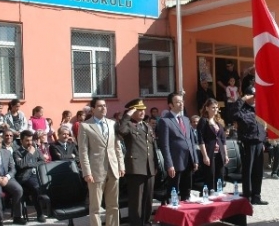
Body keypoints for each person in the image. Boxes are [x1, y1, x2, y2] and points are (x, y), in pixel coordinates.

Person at [78, 98, 125, 226]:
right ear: (92, 109)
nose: (103, 108)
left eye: (104, 106)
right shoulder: (85, 126)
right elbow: (83, 151)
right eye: (99, 106)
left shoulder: (112, 123)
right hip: (96, 171)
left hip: (113, 168)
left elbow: (117, 146)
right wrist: (87, 172)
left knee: (113, 205)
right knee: (96, 207)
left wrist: (121, 165)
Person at [117, 98, 158, 226]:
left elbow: (152, 146)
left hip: (149, 167)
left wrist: (156, 164)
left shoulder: (146, 126)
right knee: (136, 201)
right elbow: (121, 131)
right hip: (135, 168)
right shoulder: (128, 125)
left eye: (143, 109)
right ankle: (136, 223)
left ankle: (146, 221)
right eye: (138, 110)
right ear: (132, 111)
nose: (142, 112)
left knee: (148, 199)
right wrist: (127, 115)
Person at [157, 92, 199, 201]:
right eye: (177, 102)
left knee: (187, 188)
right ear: (170, 105)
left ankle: (186, 206)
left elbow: (191, 141)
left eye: (182, 101)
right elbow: (164, 145)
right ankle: (169, 212)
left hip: (188, 159)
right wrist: (169, 164)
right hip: (176, 160)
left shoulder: (185, 119)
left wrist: (195, 159)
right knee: (173, 190)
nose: (181, 104)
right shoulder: (165, 121)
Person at [233, 86, 268, 205]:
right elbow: (233, 115)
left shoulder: (258, 109)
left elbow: (262, 126)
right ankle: (247, 196)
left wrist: (263, 142)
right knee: (248, 170)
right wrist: (241, 100)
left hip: (258, 142)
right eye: (253, 96)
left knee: (258, 171)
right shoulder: (242, 108)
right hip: (248, 143)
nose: (255, 99)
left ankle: (256, 196)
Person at [14, 130, 47, 222]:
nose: (29, 143)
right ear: (21, 141)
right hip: (25, 177)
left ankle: (52, 208)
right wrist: (29, 154)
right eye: (27, 140)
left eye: (31, 140)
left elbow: (43, 161)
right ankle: (40, 213)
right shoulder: (17, 152)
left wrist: (29, 164)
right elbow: (20, 165)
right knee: (36, 187)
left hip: (38, 175)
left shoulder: (35, 150)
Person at [197, 98, 229, 192]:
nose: (215, 110)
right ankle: (210, 194)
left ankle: (219, 194)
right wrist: (205, 156)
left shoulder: (218, 121)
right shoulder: (203, 121)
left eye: (216, 107)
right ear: (207, 108)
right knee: (210, 175)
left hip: (220, 153)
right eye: (213, 107)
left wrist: (226, 154)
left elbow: (223, 140)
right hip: (210, 153)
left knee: (220, 175)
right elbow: (201, 140)